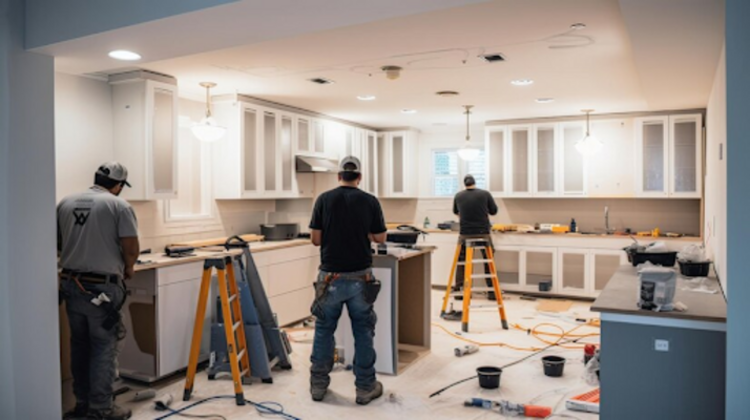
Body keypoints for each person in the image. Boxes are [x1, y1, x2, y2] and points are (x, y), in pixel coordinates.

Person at [58, 162, 140, 420]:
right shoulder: (118, 205)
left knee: (80, 346)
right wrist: (129, 267)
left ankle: (81, 405)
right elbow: (130, 246)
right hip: (103, 288)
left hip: (71, 285)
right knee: (104, 348)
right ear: (117, 185)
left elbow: (58, 243)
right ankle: (101, 409)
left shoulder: (65, 202)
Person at [308, 156, 387, 405]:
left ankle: (318, 386)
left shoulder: (323, 199)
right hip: (360, 277)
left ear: (338, 176)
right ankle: (365, 388)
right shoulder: (370, 201)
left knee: (323, 330)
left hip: (329, 276)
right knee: (363, 332)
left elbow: (316, 240)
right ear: (360, 177)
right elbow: (380, 238)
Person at [451, 174, 499, 304]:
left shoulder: (458, 196)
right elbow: (494, 211)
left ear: (464, 184)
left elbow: (456, 211)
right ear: (474, 183)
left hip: (465, 234)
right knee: (488, 261)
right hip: (483, 233)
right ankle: (492, 292)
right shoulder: (485, 194)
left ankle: (460, 292)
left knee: (462, 262)